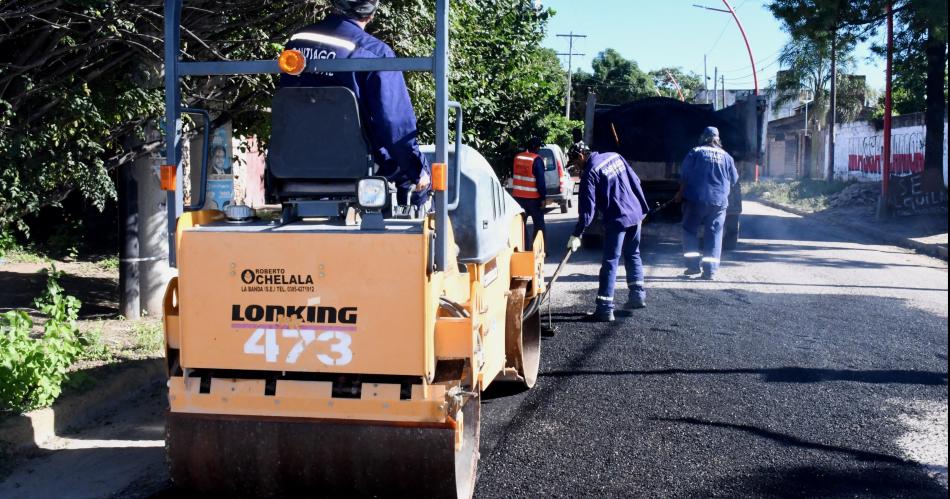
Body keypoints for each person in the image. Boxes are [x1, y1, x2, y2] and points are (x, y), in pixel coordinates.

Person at [279, 0, 430, 206]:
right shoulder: (375, 53)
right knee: (415, 178)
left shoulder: (295, 44)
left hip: (295, 163)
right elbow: (394, 123)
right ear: (371, 12)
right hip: (356, 165)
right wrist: (417, 170)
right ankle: (398, 227)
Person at [567, 143, 650, 323]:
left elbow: (587, 210)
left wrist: (577, 233)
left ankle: (605, 309)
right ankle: (637, 296)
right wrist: (642, 208)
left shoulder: (591, 172)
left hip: (618, 218)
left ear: (581, 155)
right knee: (633, 254)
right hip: (635, 214)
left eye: (575, 162)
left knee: (610, 261)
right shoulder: (614, 156)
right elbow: (636, 180)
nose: (575, 167)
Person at [674, 126, 739, 280]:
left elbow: (685, 176)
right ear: (718, 139)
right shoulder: (727, 157)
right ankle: (710, 272)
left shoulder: (695, 152)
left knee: (690, 231)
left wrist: (679, 193)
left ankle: (692, 267)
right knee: (714, 234)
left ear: (704, 138)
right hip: (718, 202)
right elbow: (734, 180)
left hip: (696, 200)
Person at [511, 137, 547, 250]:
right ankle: (539, 249)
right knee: (539, 224)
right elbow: (540, 181)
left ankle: (524, 248)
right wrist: (543, 198)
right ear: (536, 148)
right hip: (533, 199)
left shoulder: (517, 158)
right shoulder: (537, 160)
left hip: (518, 198)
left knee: (521, 225)